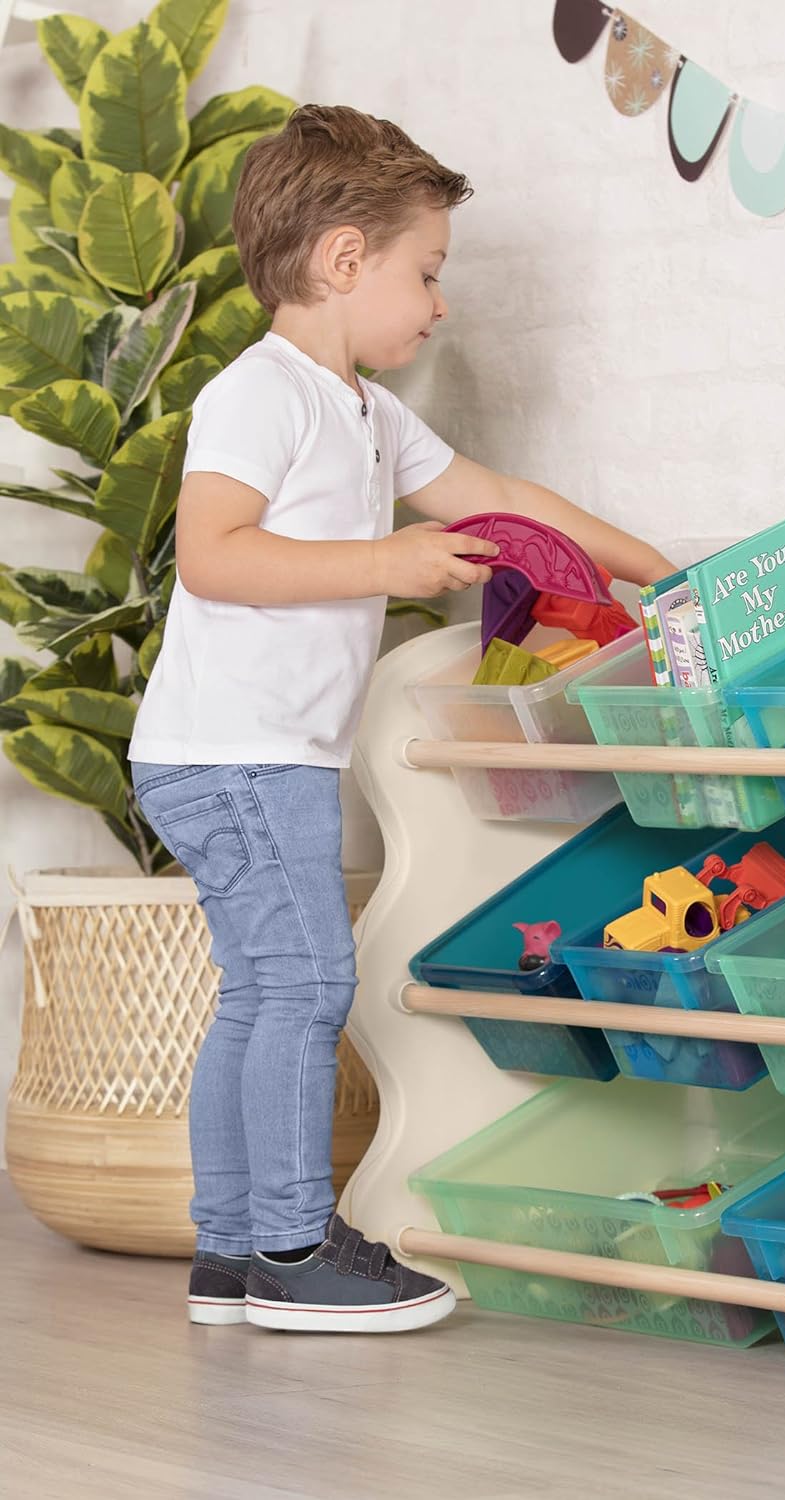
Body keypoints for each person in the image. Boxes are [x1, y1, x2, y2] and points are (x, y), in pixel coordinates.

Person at [127, 105, 674, 1334]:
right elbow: (214, 555)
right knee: (309, 982)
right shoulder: (260, 395)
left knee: (262, 993)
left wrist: (661, 572)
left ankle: (233, 1252)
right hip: (237, 755)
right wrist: (391, 562)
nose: (440, 304)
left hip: (250, 754)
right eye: (425, 273)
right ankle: (289, 1249)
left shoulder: (367, 412)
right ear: (342, 259)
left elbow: (499, 496)